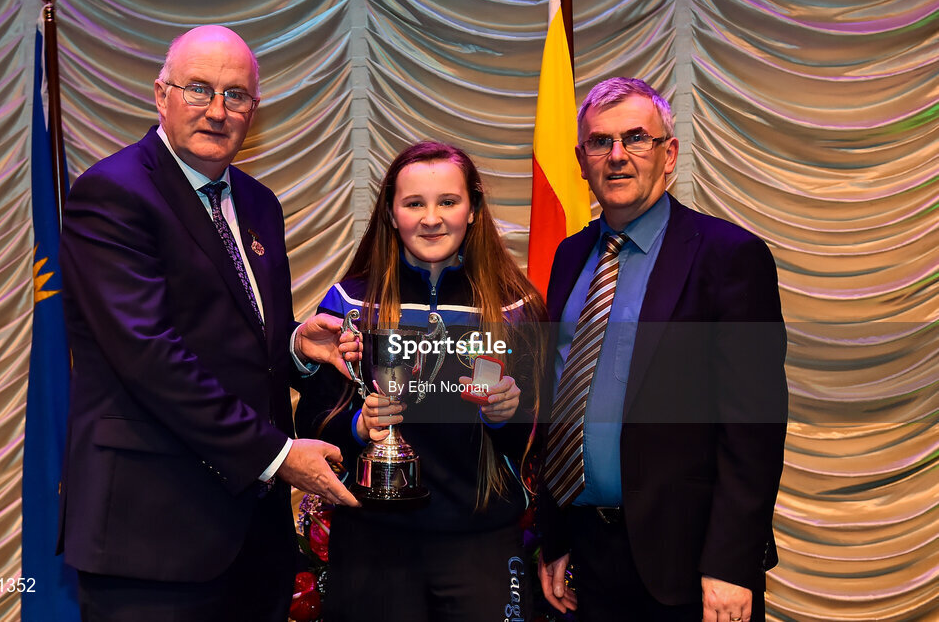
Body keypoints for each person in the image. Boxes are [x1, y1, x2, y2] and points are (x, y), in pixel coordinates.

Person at [57, 25, 358, 622]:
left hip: (251, 539)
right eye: (199, 90)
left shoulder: (258, 203)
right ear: (160, 95)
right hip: (151, 541)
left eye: (237, 95)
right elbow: (150, 356)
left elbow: (237, 341)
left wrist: (297, 346)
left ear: (254, 108)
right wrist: (278, 455)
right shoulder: (112, 194)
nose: (218, 111)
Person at [537, 77, 788, 622]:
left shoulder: (730, 257)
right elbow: (561, 399)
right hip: (588, 558)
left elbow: (755, 432)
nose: (618, 156)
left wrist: (730, 563)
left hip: (691, 566)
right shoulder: (569, 257)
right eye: (601, 143)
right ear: (581, 160)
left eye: (636, 138)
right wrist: (553, 534)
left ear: (668, 153)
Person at [295, 141, 547, 621]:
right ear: (391, 214)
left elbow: (539, 441)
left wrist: (509, 416)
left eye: (448, 202)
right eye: (414, 204)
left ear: (473, 209)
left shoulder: (517, 306)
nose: (432, 218)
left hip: (482, 542)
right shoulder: (350, 302)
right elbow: (311, 423)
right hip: (373, 545)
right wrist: (357, 427)